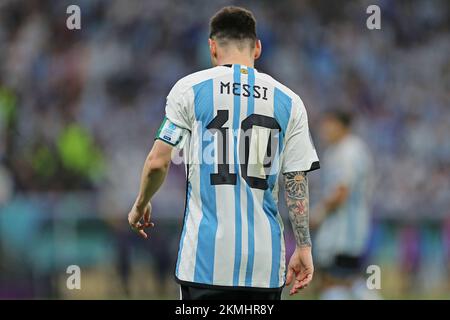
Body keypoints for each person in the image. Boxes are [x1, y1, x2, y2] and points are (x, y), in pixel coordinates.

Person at [127, 6, 320, 300]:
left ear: (212, 47)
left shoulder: (189, 89)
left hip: (205, 262)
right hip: (263, 264)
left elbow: (157, 162)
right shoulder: (289, 101)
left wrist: (141, 203)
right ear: (257, 48)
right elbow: (296, 180)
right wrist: (304, 246)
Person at [311, 110, 377, 299]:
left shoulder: (349, 151)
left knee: (332, 281)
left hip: (343, 229)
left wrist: (318, 213)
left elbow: (341, 191)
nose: (324, 130)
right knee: (350, 281)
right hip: (347, 226)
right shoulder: (340, 150)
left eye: (328, 124)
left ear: (340, 125)